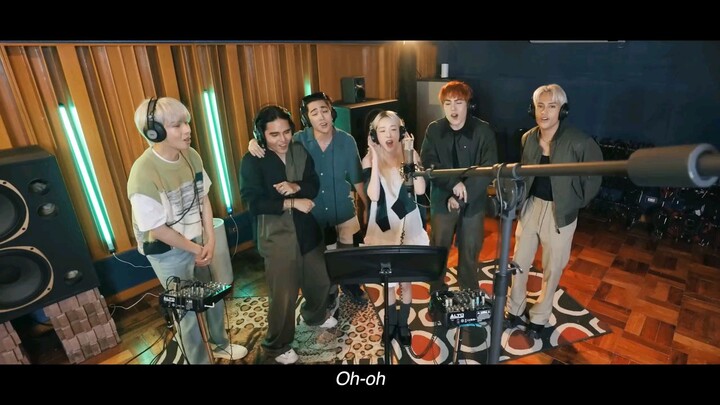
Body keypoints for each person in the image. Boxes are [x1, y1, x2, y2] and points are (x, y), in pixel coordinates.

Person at [127, 96, 247, 364]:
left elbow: (203, 198)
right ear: (154, 132)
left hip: (198, 241)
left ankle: (219, 344)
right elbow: (157, 229)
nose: (187, 130)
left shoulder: (191, 156)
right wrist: (196, 248)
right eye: (176, 125)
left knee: (211, 296)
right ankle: (199, 360)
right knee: (187, 313)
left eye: (186, 122)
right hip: (167, 252)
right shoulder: (142, 174)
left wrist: (210, 239)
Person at [247, 92, 369, 304]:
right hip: (313, 212)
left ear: (332, 113)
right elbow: (273, 144)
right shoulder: (297, 140)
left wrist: (367, 207)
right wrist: (253, 143)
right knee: (322, 262)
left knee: (349, 256)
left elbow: (357, 179)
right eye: (314, 113)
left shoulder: (347, 141)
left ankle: (351, 286)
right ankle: (329, 294)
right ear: (306, 118)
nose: (322, 117)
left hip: (344, 209)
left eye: (325, 110)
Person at [239, 105, 337, 365]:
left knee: (320, 279)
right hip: (277, 236)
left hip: (306, 231)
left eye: (286, 132)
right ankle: (277, 345)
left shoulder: (299, 150)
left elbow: (313, 184)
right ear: (261, 135)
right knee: (283, 295)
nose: (282, 139)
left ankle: (314, 316)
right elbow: (253, 203)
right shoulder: (252, 160)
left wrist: (296, 186)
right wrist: (292, 202)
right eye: (273, 134)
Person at [505, 84, 603, 339]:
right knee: (519, 262)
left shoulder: (580, 142)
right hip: (531, 207)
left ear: (563, 110)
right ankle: (514, 308)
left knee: (552, 267)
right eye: (540, 106)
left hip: (560, 213)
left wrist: (574, 202)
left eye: (552, 106)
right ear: (533, 109)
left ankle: (539, 317)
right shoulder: (528, 138)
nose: (544, 112)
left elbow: (594, 176)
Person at [420, 80, 498, 292]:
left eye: (458, 102)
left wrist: (461, 196)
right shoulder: (434, 130)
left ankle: (468, 291)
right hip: (441, 199)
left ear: (469, 105)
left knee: (470, 248)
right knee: (438, 247)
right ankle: (436, 291)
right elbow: (428, 162)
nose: (453, 108)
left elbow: (488, 168)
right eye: (448, 103)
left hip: (473, 201)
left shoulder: (483, 131)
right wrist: (453, 184)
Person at [362, 110, 429, 346]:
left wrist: (410, 155)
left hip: (408, 223)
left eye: (393, 129)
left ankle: (403, 324)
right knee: (388, 283)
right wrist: (375, 158)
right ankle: (390, 325)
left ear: (401, 132)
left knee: (405, 281)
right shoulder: (369, 159)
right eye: (382, 131)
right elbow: (373, 195)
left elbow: (420, 190)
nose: (388, 135)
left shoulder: (410, 154)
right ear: (374, 135)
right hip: (384, 227)